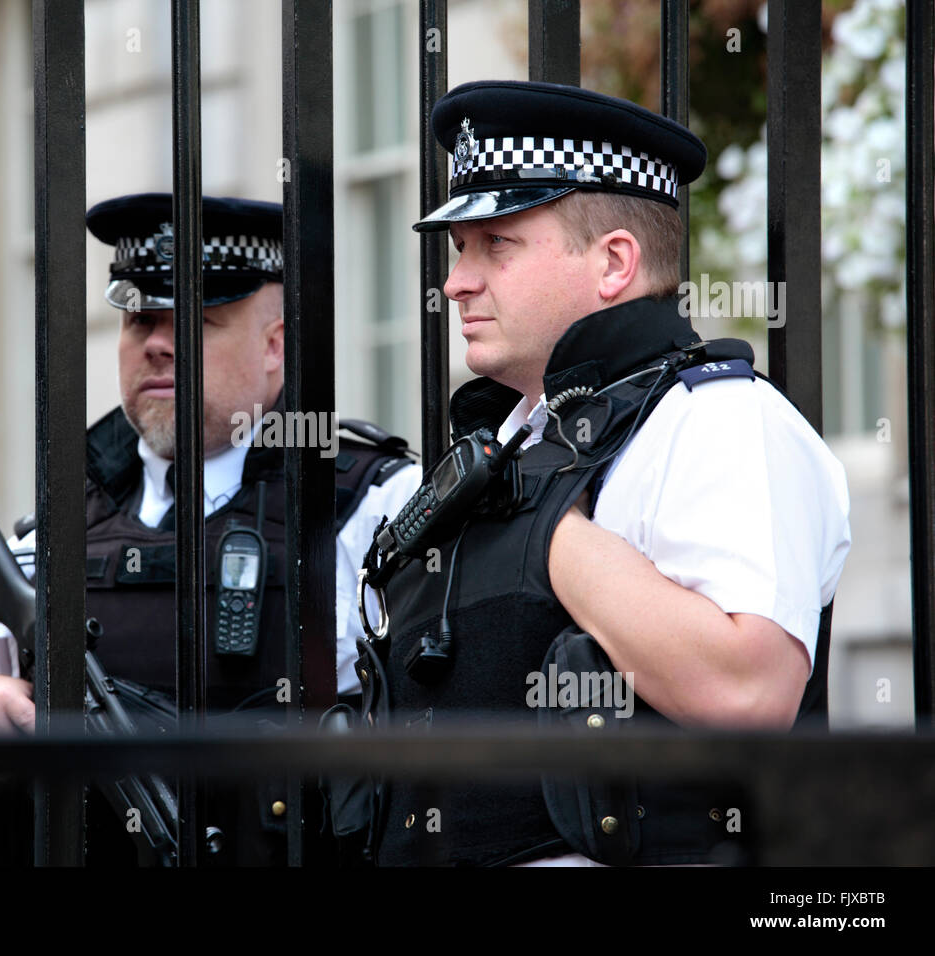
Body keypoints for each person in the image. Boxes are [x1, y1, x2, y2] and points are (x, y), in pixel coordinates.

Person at [356, 81, 851, 867]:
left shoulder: (715, 421)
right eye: (459, 251)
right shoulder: (515, 438)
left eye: (497, 245)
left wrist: (544, 531)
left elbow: (748, 691)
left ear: (615, 262)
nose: (456, 281)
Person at [0, 193, 422, 865]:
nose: (157, 344)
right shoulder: (50, 531)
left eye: (197, 321)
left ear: (275, 345)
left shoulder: (371, 509)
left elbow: (446, 768)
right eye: (140, 319)